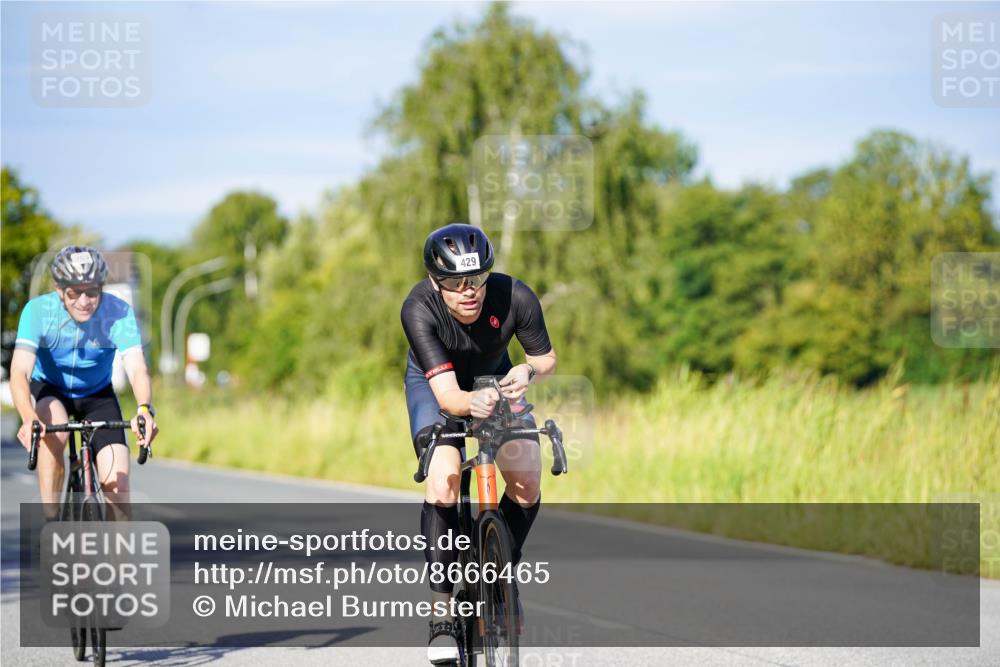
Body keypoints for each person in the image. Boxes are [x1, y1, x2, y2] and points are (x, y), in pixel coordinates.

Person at [401, 224, 556, 663]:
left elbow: (545, 358)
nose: (467, 291)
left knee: (526, 476)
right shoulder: (418, 308)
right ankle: (442, 613)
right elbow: (450, 398)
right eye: (453, 283)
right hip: (438, 387)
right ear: (436, 281)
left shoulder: (515, 296)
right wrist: (473, 402)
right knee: (445, 480)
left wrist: (526, 372)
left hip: (495, 380)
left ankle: (501, 572)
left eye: (477, 279)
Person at [11, 245, 159, 521]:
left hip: (97, 394)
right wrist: (28, 416)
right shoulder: (38, 312)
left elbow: (137, 367)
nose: (83, 301)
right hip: (50, 389)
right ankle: (51, 520)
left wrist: (144, 409)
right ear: (59, 290)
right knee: (55, 431)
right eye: (73, 293)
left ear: (102, 287)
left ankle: (118, 556)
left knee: (118, 487)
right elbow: (19, 371)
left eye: (92, 291)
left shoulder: (118, 312)